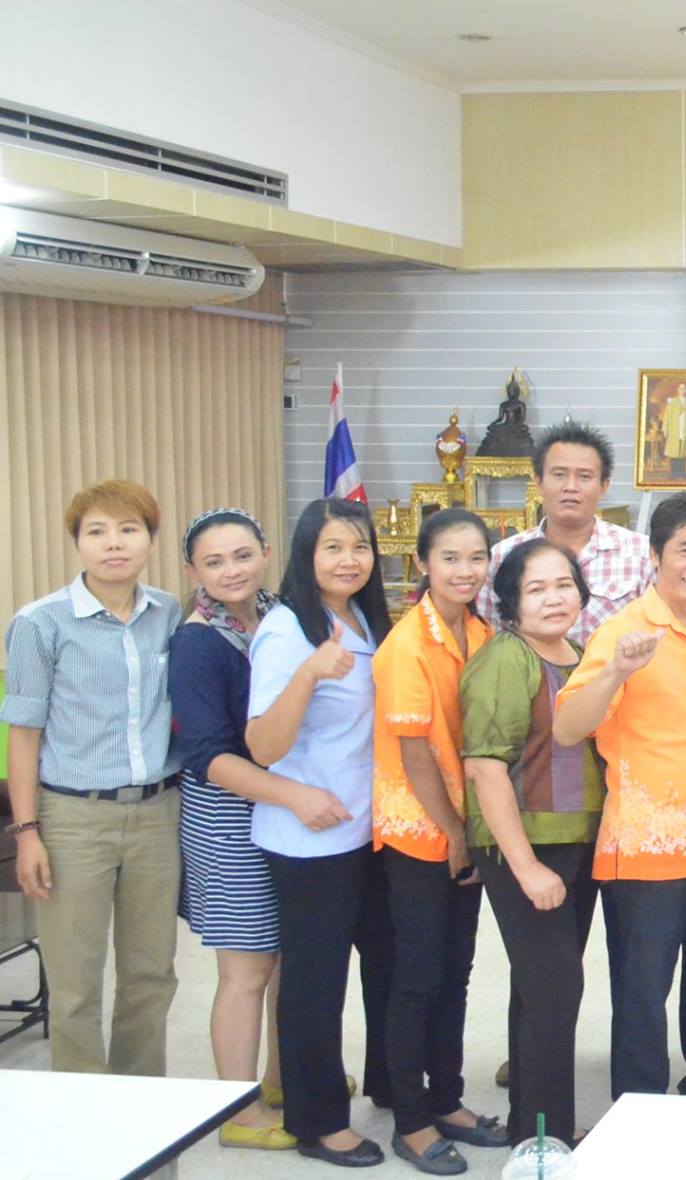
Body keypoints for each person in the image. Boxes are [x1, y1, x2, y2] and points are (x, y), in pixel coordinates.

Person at [553, 492, 686, 1102]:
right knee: (643, 995)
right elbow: (568, 727)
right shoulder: (624, 633)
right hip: (647, 852)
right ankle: (639, 1110)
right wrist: (617, 671)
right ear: (655, 554)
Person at [3, 480, 182, 1080]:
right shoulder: (40, 623)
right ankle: (84, 1113)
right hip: (73, 818)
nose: (114, 544)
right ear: (77, 542)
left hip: (157, 814)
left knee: (151, 974)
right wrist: (26, 832)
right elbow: (24, 735)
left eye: (128, 530)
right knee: (76, 982)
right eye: (97, 531)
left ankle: (140, 1101)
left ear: (150, 540)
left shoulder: (168, 613)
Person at [246, 498, 397, 1168]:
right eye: (332, 547)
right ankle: (318, 1121)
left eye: (360, 546)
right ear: (306, 555)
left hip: (368, 830)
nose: (349, 560)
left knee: (387, 965)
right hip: (311, 839)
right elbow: (262, 747)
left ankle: (390, 1082)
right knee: (316, 983)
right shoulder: (287, 630)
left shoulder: (364, 616)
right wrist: (309, 673)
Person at [371, 507, 505, 1173]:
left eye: (476, 557)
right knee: (417, 978)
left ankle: (447, 1099)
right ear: (423, 563)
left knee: (457, 972)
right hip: (421, 833)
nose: (465, 570)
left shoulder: (481, 632)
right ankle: (412, 1120)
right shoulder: (406, 645)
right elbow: (415, 752)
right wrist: (454, 833)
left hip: (466, 832)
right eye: (450, 557)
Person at [460, 539, 604, 1147]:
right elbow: (485, 768)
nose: (553, 598)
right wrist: (525, 868)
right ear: (511, 601)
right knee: (555, 989)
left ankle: (534, 1126)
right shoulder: (506, 659)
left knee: (540, 985)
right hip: (526, 847)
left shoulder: (580, 654)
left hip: (576, 841)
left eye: (563, 584)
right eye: (536, 588)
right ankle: (548, 1139)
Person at [171, 508, 299, 1150]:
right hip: (227, 815)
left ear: (266, 553)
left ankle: (278, 1081)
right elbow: (207, 755)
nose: (231, 571)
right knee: (245, 969)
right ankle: (236, 1110)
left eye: (242, 556)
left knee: (284, 960)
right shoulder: (197, 642)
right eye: (214, 562)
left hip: (280, 807)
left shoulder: (279, 617)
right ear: (192, 570)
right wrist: (295, 795)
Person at [475, 419, 654, 639]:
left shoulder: (641, 554)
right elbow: (488, 637)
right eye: (559, 475)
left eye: (584, 477)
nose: (571, 487)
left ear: (604, 486)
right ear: (538, 482)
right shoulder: (502, 557)